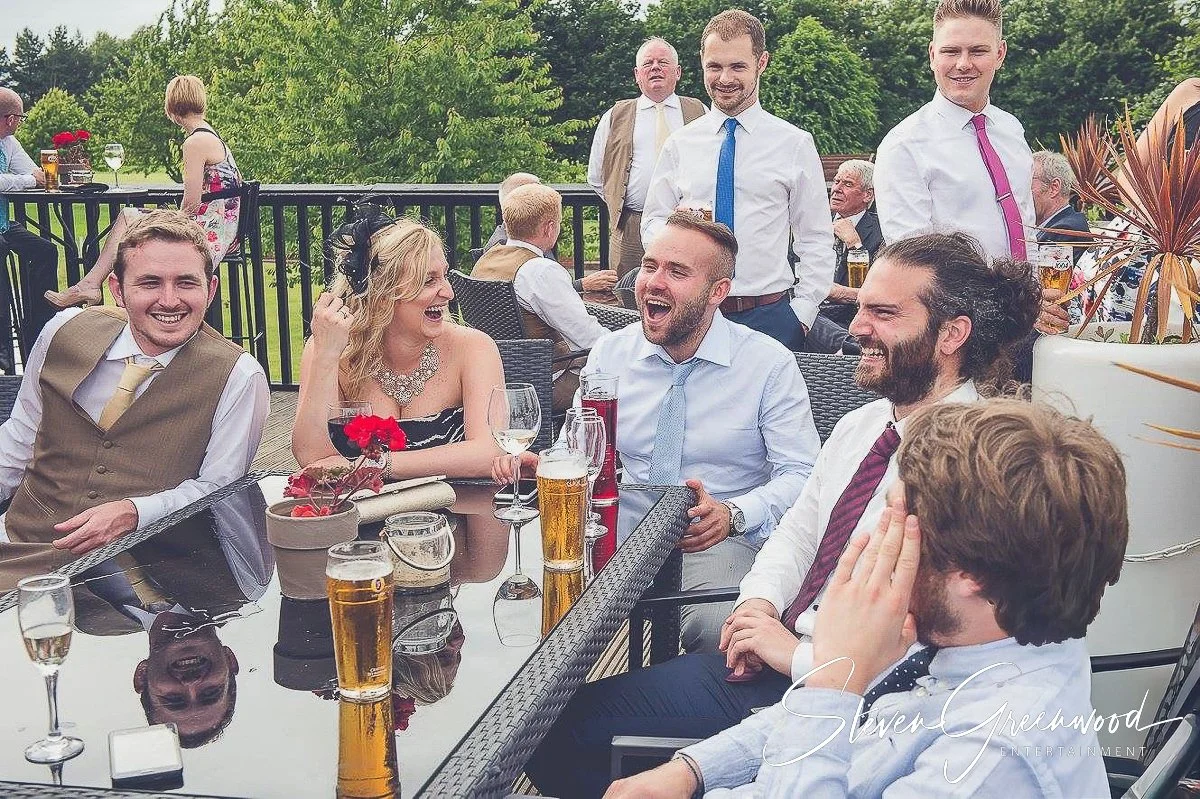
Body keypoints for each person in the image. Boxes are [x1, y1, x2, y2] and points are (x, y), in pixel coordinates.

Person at [524, 231, 1042, 799]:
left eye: (883, 313)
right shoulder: (864, 426)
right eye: (862, 307)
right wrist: (756, 608)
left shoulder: (974, 463)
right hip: (782, 659)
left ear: (952, 334)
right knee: (547, 728)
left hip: (842, 695)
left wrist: (790, 652)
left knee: (559, 739)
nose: (856, 327)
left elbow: (921, 665)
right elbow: (799, 533)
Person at [606, 399, 1127, 798]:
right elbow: (853, 718)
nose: (878, 537)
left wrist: (832, 685)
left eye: (900, 523)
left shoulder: (990, 761)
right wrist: (690, 770)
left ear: (972, 573)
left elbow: (831, 714)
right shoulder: (971, 635)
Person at [499, 212, 820, 643]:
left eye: (677, 271)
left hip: (715, 541)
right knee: (534, 609)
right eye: (649, 266)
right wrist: (548, 464)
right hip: (616, 534)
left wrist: (734, 514)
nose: (654, 281)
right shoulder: (611, 354)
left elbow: (803, 475)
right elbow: (577, 450)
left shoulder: (768, 364)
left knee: (715, 627)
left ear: (717, 292)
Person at [0, 209, 269, 587]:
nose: (170, 300)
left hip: (132, 572)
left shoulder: (239, 377)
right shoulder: (62, 331)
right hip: (16, 544)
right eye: (150, 283)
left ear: (210, 290)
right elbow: (20, 436)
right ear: (117, 289)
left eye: (186, 283)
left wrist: (134, 512)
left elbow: (218, 493)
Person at [642, 10, 835, 351]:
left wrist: (802, 313)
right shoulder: (680, 144)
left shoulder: (794, 144)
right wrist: (677, 260)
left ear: (761, 63)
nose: (725, 78)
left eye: (737, 67)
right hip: (692, 312)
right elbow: (654, 222)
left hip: (769, 315)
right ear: (701, 63)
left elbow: (815, 238)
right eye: (714, 67)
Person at [291, 208, 503, 478]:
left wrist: (377, 466)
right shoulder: (331, 350)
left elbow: (490, 452)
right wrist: (325, 357)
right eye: (428, 281)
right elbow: (312, 457)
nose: (448, 292)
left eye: (445, 275)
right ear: (383, 293)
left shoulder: (474, 348)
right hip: (364, 514)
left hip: (455, 511)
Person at [46, 75, 243, 309]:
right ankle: (97, 288)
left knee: (129, 219)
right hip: (220, 228)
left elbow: (191, 203)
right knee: (131, 219)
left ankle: (99, 290)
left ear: (171, 108)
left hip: (209, 232)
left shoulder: (195, 143)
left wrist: (168, 220)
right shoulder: (210, 136)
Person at [472, 183, 607, 410]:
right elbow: (590, 339)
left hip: (496, 378)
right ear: (549, 228)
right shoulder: (540, 271)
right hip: (545, 383)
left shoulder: (487, 258)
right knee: (618, 377)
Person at [589, 37, 707, 278]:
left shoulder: (700, 112)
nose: (655, 67)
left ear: (678, 72)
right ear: (637, 74)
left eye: (663, 62)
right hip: (631, 227)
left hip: (689, 225)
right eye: (648, 63)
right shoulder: (614, 116)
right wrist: (625, 209)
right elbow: (597, 177)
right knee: (626, 294)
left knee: (687, 290)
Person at [479, 172, 614, 293]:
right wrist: (582, 284)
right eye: (537, 193)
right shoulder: (508, 247)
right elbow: (544, 294)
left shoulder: (524, 239)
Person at [0, 87, 58, 356]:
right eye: (21, 118)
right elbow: (24, 178)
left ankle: (39, 330)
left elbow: (33, 171)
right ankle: (3, 345)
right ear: (11, 119)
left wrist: (31, 178)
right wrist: (26, 180)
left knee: (46, 250)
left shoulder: (8, 143)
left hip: (3, 222)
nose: (20, 123)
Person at [823, 159, 884, 327]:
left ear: (868, 195)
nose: (836, 189)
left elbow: (878, 289)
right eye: (836, 182)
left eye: (848, 184)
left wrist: (855, 244)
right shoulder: (816, 223)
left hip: (852, 318)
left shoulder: (882, 231)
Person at [1032, 150, 1090, 264]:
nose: (1018, 191)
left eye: (1027, 182)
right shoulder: (1053, 226)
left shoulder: (1066, 231)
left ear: (1054, 188)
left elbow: (1041, 280)